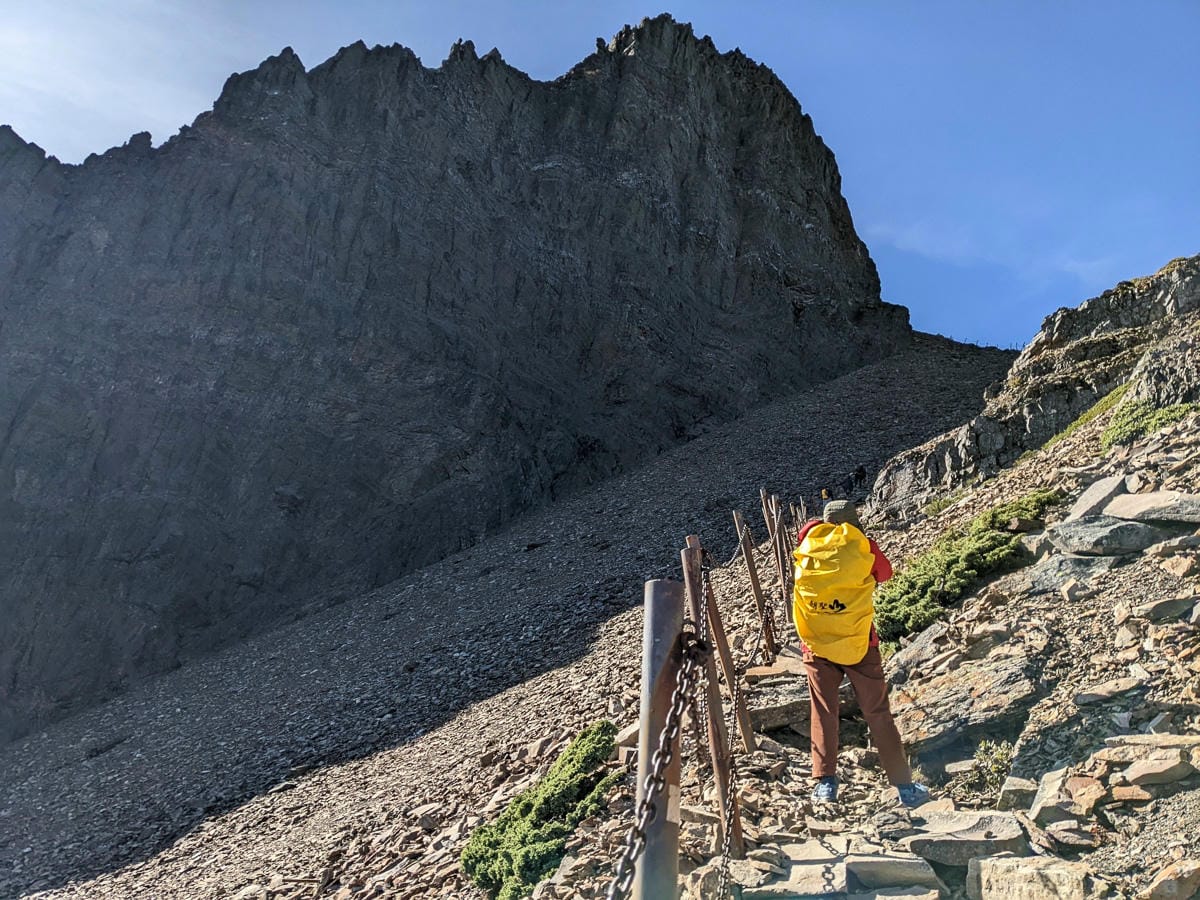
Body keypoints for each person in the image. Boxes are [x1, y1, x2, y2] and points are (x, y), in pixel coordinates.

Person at [792, 500, 929, 808]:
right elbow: (885, 573)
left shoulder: (809, 546)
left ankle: (825, 784)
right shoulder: (862, 545)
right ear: (854, 522)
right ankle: (905, 787)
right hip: (859, 642)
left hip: (816, 643)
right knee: (877, 712)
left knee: (824, 709)